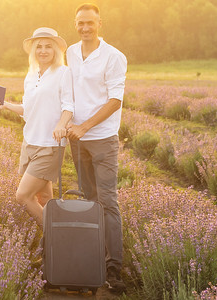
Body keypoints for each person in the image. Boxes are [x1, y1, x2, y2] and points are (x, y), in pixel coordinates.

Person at [65, 3, 127, 294]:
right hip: (77, 140)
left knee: (107, 201)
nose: (85, 27)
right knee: (88, 199)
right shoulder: (70, 53)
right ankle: (92, 259)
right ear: (75, 24)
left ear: (99, 23)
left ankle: (114, 267)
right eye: (80, 23)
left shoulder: (114, 56)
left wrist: (85, 126)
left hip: (101, 138)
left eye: (90, 22)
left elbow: (115, 100)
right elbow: (69, 94)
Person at [0, 27, 73, 226]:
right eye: (39, 47)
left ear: (55, 50)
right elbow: (27, 110)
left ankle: (58, 237)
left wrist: (61, 125)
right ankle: (51, 249)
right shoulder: (31, 75)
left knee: (23, 196)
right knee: (43, 198)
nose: (43, 51)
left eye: (48, 47)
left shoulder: (64, 72)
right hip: (30, 142)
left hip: (50, 145)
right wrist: (6, 105)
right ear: (33, 50)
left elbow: (69, 106)